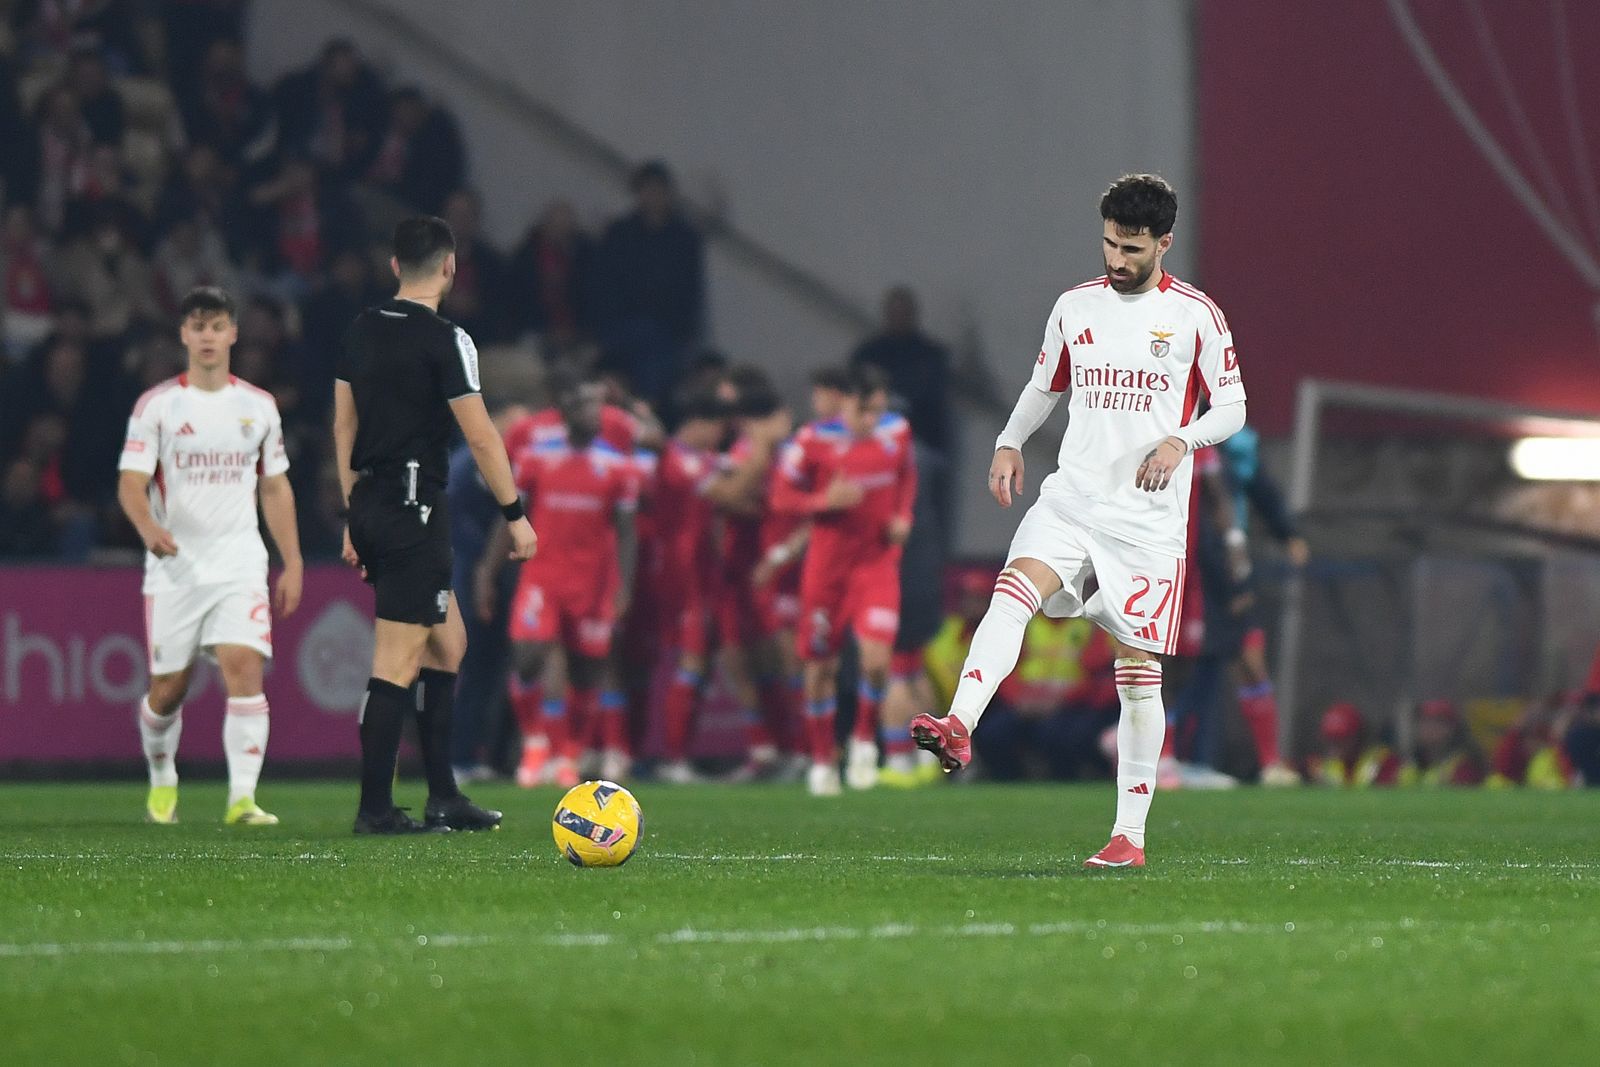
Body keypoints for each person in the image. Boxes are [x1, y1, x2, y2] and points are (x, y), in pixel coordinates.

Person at [908, 174, 1247, 868]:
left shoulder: (1196, 316)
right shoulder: (1075, 307)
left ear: (1163, 243)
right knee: (1012, 590)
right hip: (1071, 499)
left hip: (1147, 522)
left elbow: (1233, 406)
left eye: (1131, 248)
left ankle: (1130, 836)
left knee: (1136, 669)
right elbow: (1044, 386)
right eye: (1108, 243)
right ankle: (960, 724)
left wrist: (1182, 438)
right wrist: (1007, 440)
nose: (1116, 259)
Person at [333, 215, 536, 835]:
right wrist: (516, 516)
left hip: (373, 503)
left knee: (449, 646)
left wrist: (352, 514)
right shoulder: (448, 339)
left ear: (395, 266)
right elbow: (480, 435)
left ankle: (444, 795)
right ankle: (374, 809)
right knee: (398, 659)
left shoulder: (361, 329)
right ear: (449, 268)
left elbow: (345, 426)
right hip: (414, 509)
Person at [115, 286, 302, 826]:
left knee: (243, 667)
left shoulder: (259, 407)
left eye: (217, 326)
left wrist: (292, 560)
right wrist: (148, 526)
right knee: (168, 690)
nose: (207, 337)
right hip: (177, 565)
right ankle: (162, 777)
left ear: (233, 334)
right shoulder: (158, 406)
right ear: (183, 335)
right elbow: (130, 483)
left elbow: (274, 488)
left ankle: (241, 799)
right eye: (197, 327)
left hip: (240, 559)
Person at [480, 371, 638, 788]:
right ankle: (535, 744)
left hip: (593, 583)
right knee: (532, 658)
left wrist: (624, 585)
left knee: (587, 671)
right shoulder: (537, 457)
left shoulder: (617, 466)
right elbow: (509, 519)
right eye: (587, 405)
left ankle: (569, 755)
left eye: (599, 405)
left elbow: (626, 531)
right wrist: (486, 571)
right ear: (568, 411)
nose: (597, 414)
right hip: (542, 578)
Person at [771, 364, 916, 797]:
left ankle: (862, 742)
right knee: (821, 668)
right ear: (842, 402)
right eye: (862, 410)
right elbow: (780, 498)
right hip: (827, 572)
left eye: (877, 410)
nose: (871, 420)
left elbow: (907, 476)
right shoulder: (811, 442)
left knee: (875, 661)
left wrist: (903, 516)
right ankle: (821, 759)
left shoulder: (897, 432)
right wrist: (822, 501)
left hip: (875, 566)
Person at [1306, 702, 1403, 787]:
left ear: (1358, 737)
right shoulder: (1328, 766)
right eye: (1331, 740)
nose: (1335, 746)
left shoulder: (1383, 762)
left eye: (1341, 740)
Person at [1401, 699, 1485, 787]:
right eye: (1424, 722)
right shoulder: (1411, 765)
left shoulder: (1464, 765)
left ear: (1452, 728)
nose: (1429, 728)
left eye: (1437, 722)